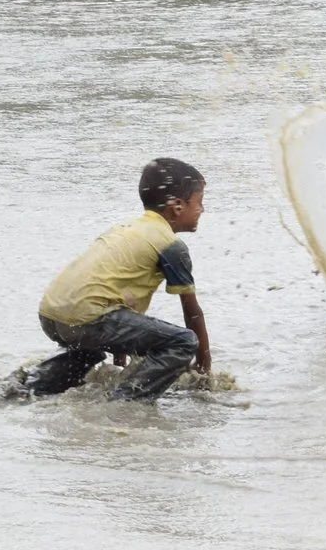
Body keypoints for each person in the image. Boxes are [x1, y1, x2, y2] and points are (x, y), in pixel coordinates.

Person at [27, 158, 212, 402]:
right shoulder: (171, 245)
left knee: (90, 352)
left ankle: (33, 387)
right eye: (199, 202)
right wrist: (204, 367)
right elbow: (192, 312)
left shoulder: (125, 228)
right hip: (89, 317)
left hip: (52, 314)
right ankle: (125, 401)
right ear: (177, 206)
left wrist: (119, 355)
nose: (202, 210)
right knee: (183, 342)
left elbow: (114, 289)